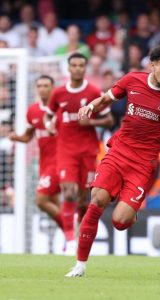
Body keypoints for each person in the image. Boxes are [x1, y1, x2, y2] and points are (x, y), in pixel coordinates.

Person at [65, 45, 160, 277]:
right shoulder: (132, 80)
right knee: (96, 200)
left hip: (143, 164)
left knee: (120, 222)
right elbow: (106, 99)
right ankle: (80, 265)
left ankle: (131, 211)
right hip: (118, 152)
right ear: (151, 65)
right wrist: (90, 107)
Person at [45, 53, 114, 254]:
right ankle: (69, 241)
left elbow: (109, 119)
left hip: (88, 151)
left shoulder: (93, 91)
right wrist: (49, 125)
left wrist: (91, 122)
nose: (77, 68)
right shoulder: (58, 93)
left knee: (84, 200)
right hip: (66, 150)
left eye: (81, 65)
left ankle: (77, 235)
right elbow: (49, 115)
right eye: (73, 65)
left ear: (85, 68)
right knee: (68, 191)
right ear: (68, 68)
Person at [8, 75, 64, 232]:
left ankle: (71, 227)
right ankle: (71, 239)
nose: (43, 89)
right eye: (40, 86)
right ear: (36, 89)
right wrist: (16, 137)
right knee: (54, 202)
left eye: (47, 85)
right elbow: (28, 136)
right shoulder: (32, 110)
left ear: (53, 88)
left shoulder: (60, 110)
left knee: (40, 200)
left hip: (59, 161)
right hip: (44, 163)